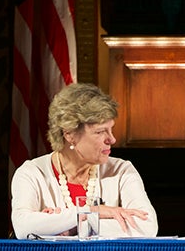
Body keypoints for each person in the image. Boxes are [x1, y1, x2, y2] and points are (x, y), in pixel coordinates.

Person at [11, 83, 158, 239]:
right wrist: (96, 211)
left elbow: (147, 227)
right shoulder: (32, 173)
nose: (112, 139)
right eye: (100, 132)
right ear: (69, 134)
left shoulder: (121, 170)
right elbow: (23, 228)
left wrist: (76, 226)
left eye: (111, 129)